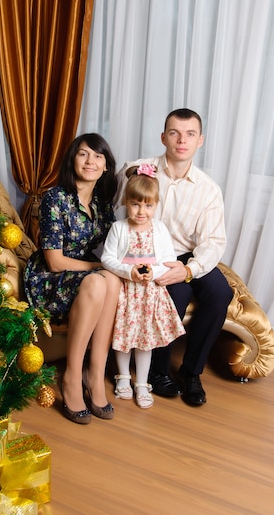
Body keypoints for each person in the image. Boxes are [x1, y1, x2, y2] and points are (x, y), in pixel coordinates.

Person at [115, 108, 233, 406]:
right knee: (173, 295)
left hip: (189, 256)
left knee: (220, 292)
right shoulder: (141, 169)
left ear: (200, 140)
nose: (182, 140)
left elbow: (214, 241)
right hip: (151, 254)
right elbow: (117, 200)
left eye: (190, 134)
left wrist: (190, 270)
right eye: (175, 133)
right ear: (163, 137)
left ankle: (192, 373)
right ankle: (157, 372)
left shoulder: (208, 189)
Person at [24, 133, 121, 424]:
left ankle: (94, 373)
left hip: (80, 275)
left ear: (106, 166)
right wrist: (97, 266)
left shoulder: (103, 205)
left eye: (98, 156)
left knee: (113, 280)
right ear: (72, 160)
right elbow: (54, 261)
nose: (90, 161)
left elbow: (119, 245)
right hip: (47, 279)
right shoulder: (55, 197)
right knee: (99, 279)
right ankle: (70, 376)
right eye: (83, 154)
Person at [101, 164, 185, 409]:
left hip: (150, 295)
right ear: (127, 201)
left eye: (148, 205)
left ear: (155, 205)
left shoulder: (159, 229)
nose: (141, 211)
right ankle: (124, 377)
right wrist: (129, 271)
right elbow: (108, 259)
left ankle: (142, 382)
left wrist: (152, 273)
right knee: (124, 336)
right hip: (126, 293)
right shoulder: (119, 229)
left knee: (145, 340)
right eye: (136, 204)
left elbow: (169, 260)